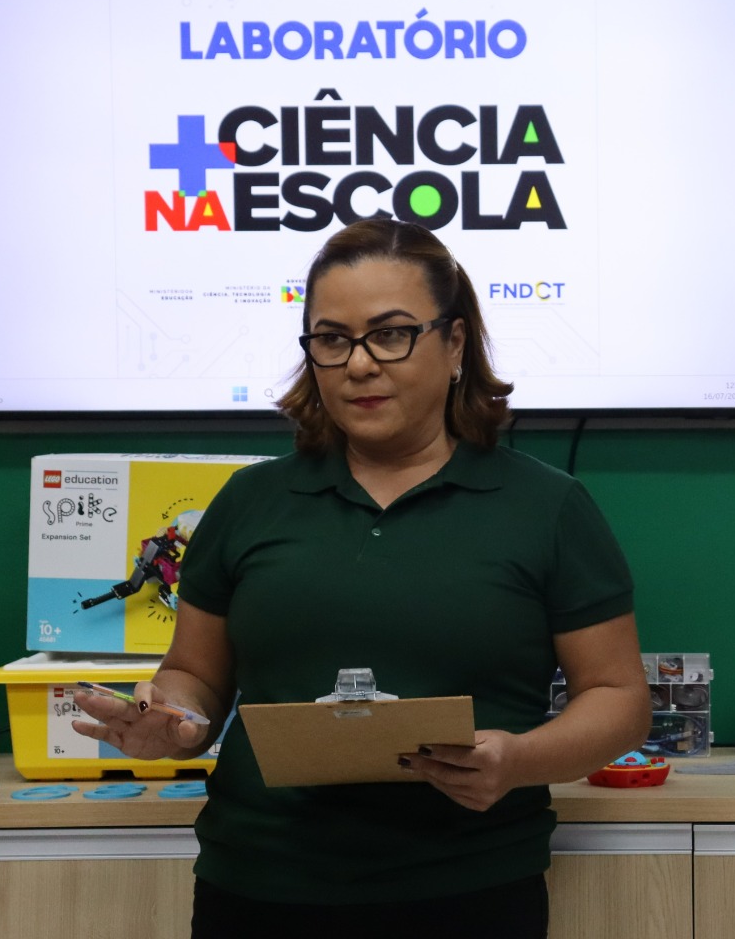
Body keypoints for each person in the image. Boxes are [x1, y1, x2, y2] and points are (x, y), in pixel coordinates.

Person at [73, 219, 651, 938]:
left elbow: (619, 698)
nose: (359, 364)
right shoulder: (250, 502)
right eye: (332, 339)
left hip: (471, 889)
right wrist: (174, 723)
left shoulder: (547, 507)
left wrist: (521, 759)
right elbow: (195, 676)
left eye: (391, 334)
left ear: (456, 343)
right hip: (259, 885)